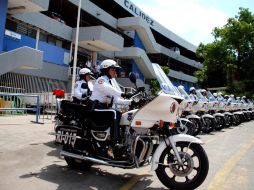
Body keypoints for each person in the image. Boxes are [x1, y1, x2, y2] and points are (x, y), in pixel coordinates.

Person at [89, 59, 132, 147]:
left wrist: (131, 102)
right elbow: (108, 89)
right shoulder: (101, 80)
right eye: (113, 69)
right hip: (95, 107)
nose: (115, 72)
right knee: (114, 113)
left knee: (123, 114)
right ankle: (115, 142)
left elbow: (116, 100)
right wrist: (123, 93)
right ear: (107, 70)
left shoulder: (110, 82)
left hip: (103, 107)